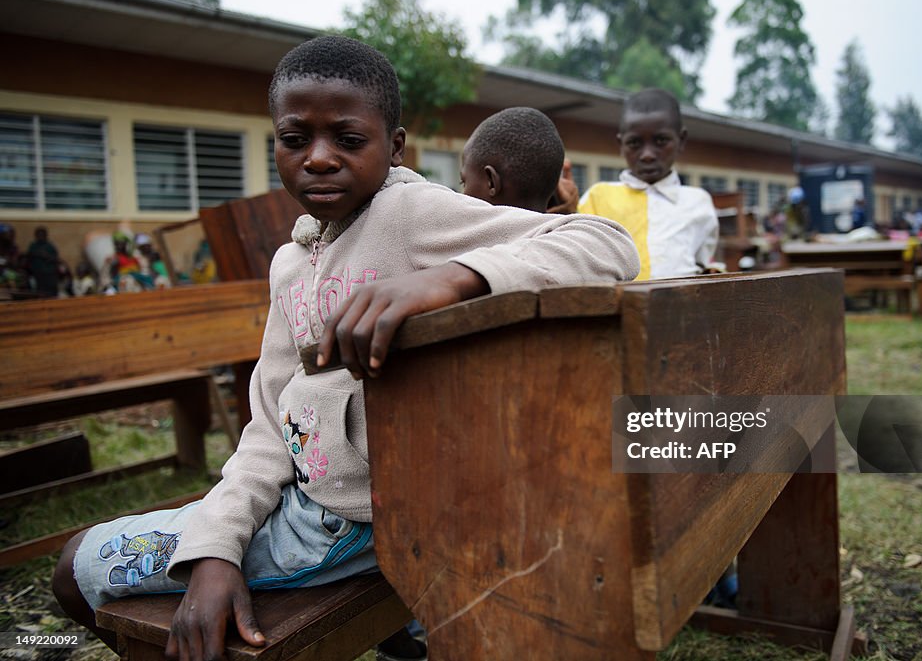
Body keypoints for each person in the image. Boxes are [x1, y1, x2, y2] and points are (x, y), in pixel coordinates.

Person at [52, 35, 639, 661]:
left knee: (72, 568)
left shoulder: (410, 214)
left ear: (395, 146)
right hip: (306, 503)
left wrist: (454, 276)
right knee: (153, 562)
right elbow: (270, 423)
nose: (320, 159)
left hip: (356, 523)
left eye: (349, 140)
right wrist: (217, 546)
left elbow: (607, 244)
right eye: (295, 138)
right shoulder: (289, 264)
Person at [577, 88, 718, 279]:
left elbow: (701, 263)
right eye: (634, 143)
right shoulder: (598, 197)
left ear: (681, 140)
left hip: (681, 306)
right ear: (621, 145)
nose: (648, 155)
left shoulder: (698, 203)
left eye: (661, 141)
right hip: (618, 306)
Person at [460, 106, 566, 212]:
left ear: (491, 182)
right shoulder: (572, 226)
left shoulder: (456, 226)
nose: (462, 195)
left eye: (464, 183)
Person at [26, 226, 61, 297]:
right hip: (37, 275)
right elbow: (29, 257)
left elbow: (55, 258)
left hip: (49, 274)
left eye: (42, 235)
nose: (40, 237)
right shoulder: (33, 246)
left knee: (51, 294)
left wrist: (47, 256)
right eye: (39, 235)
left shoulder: (50, 246)